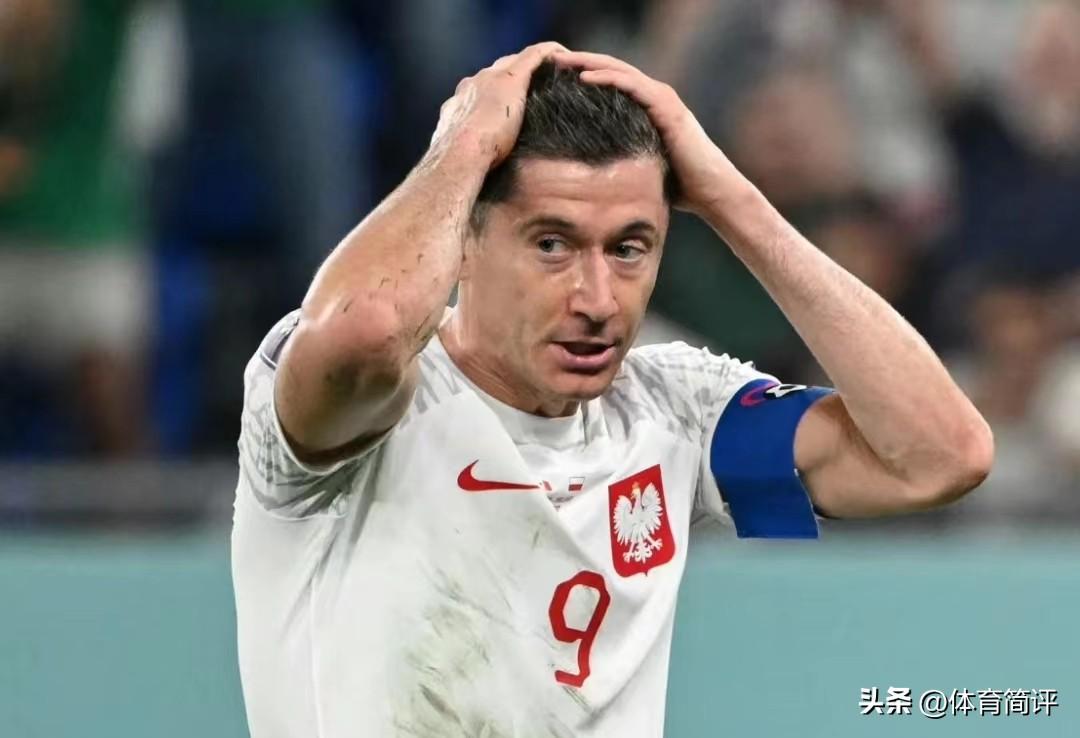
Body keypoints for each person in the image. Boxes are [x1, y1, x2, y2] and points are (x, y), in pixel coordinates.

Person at [231, 42, 993, 736]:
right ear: (463, 239)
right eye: (552, 244)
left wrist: (730, 199)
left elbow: (940, 456)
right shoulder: (362, 410)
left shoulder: (673, 413)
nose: (598, 299)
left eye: (630, 248)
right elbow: (366, 329)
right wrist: (462, 148)